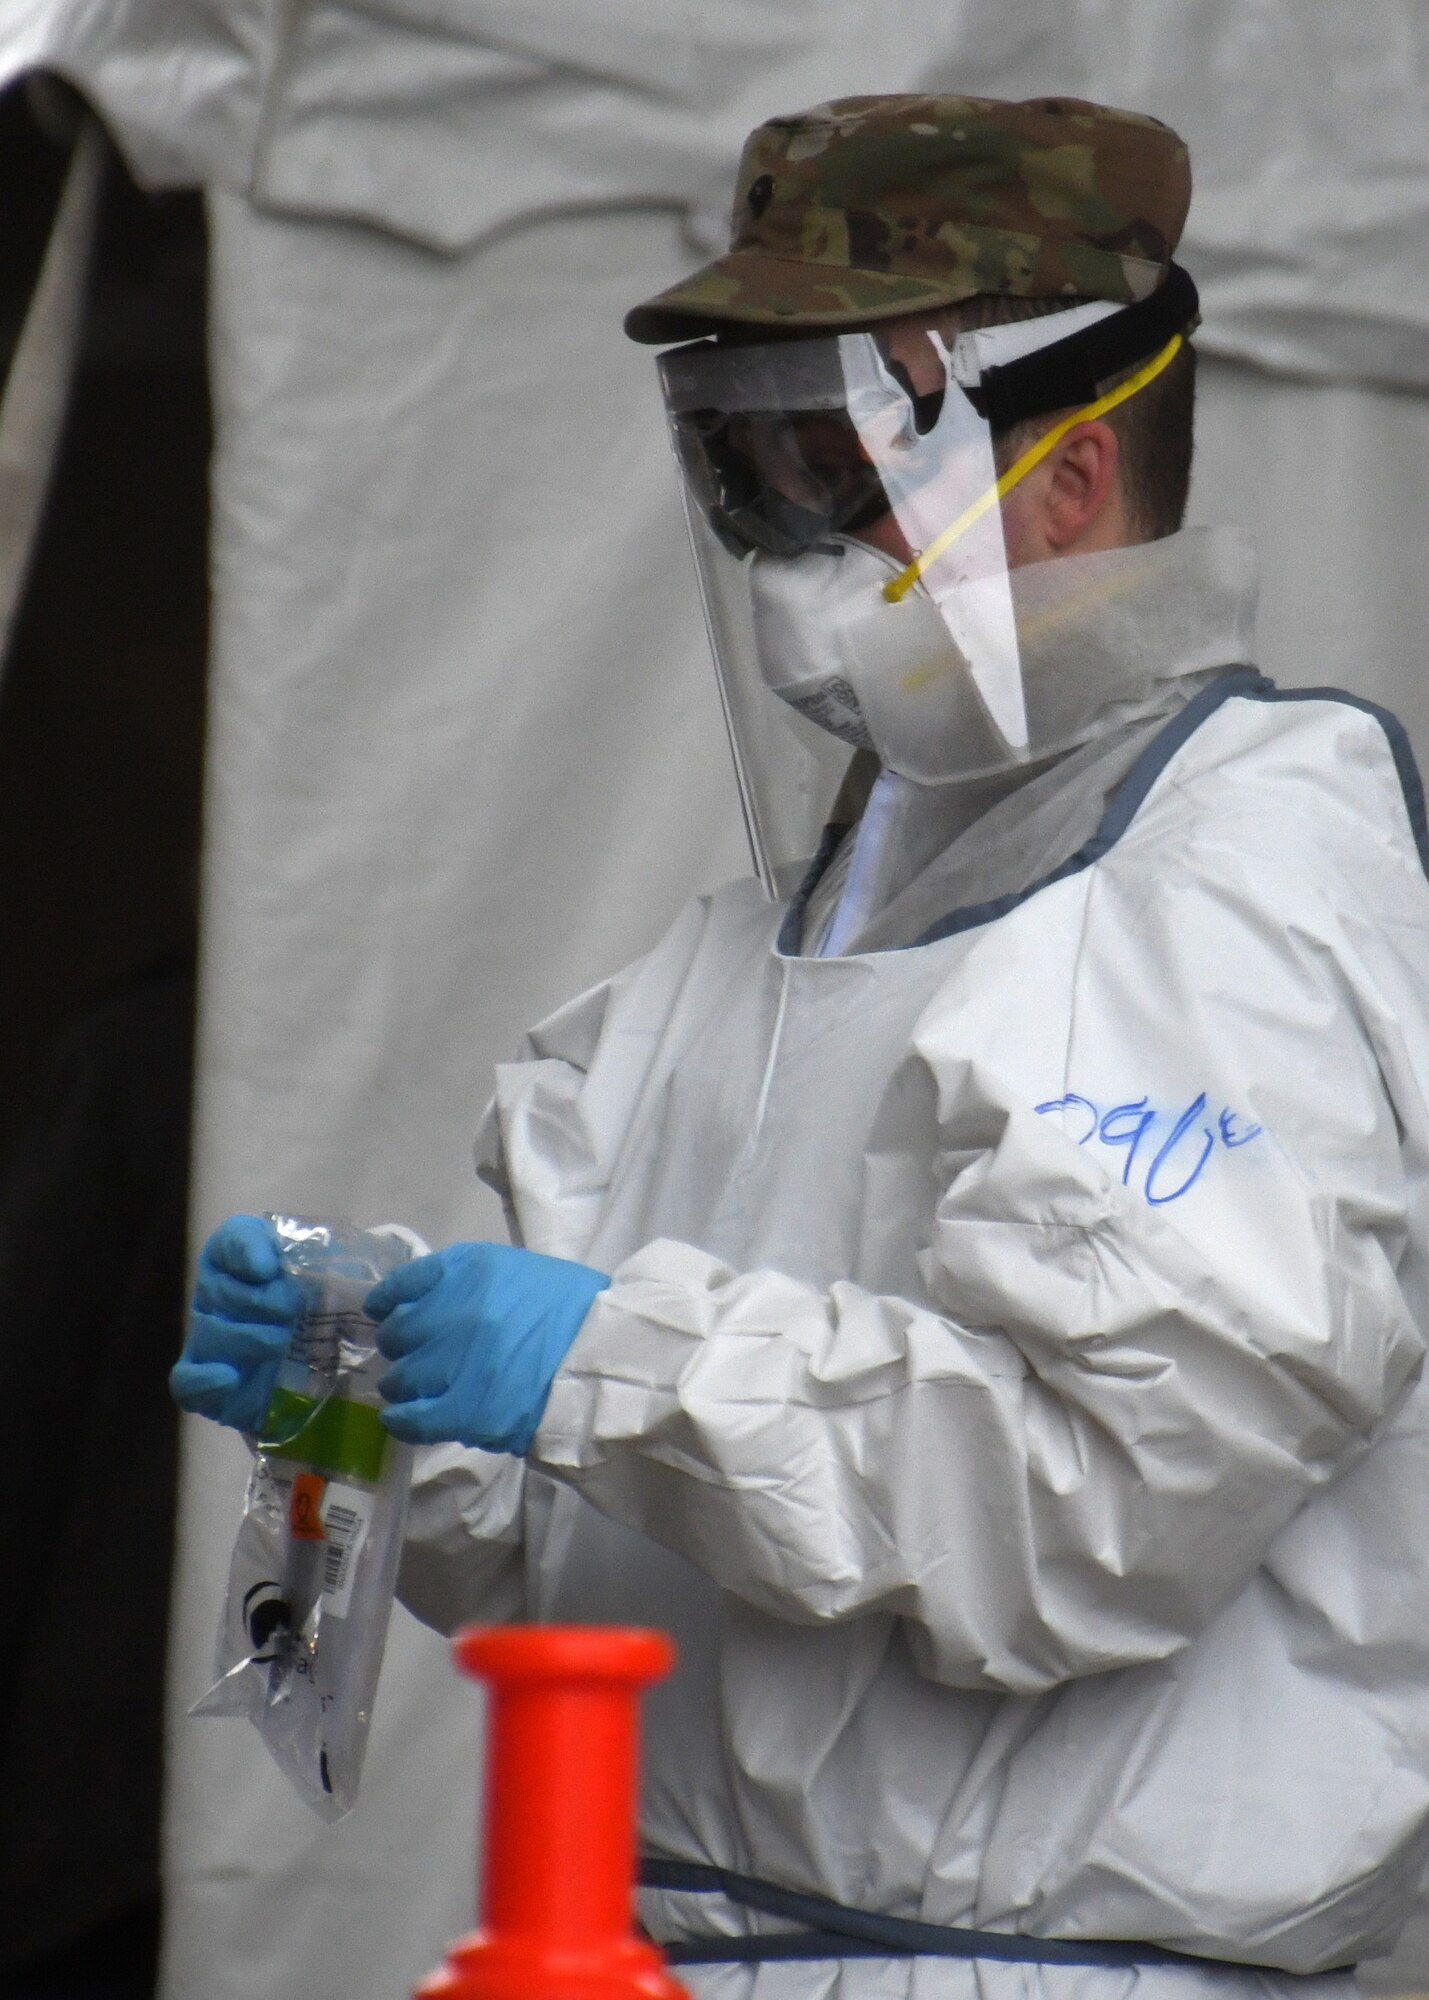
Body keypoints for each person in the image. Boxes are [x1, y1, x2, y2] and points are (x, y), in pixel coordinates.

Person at [172, 95, 1429, 1999]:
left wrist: (593, 1361)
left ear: (1069, 481)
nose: (771, 544)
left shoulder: (1244, 881)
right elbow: (592, 1548)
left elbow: (1096, 1512)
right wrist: (376, 1384)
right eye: (735, 463)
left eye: (823, 461)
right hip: (683, 1947)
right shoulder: (766, 941)